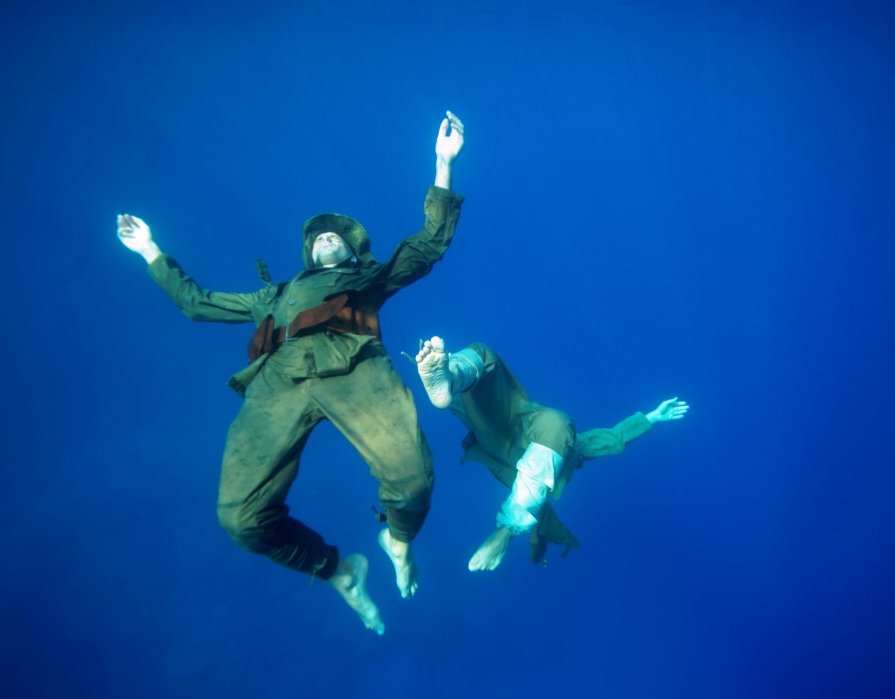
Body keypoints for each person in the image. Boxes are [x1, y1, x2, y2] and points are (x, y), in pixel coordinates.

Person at [116, 111, 466, 634]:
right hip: (276, 383)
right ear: (306, 252)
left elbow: (429, 244)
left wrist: (443, 163)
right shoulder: (273, 297)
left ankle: (397, 542)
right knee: (239, 519)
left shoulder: (369, 277)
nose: (326, 235)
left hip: (354, 366)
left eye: (336, 235)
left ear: (353, 250)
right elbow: (197, 303)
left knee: (413, 483)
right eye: (318, 235)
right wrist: (149, 249)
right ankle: (338, 572)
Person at [412, 336, 688, 571]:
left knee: (484, 367)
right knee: (487, 360)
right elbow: (612, 438)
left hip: (494, 433)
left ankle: (452, 375)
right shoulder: (570, 446)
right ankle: (451, 374)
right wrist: (651, 417)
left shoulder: (553, 465)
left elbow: (541, 514)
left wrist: (530, 542)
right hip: (515, 421)